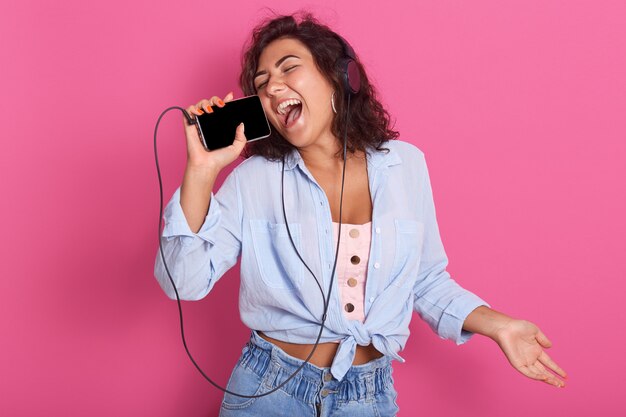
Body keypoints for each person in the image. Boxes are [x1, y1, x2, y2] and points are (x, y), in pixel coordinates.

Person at [155, 12, 567, 417]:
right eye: (261, 85)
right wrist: (201, 172)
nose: (273, 88)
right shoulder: (254, 179)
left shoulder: (405, 166)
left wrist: (499, 326)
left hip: (367, 396)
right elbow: (184, 283)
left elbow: (424, 280)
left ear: (340, 76)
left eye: (288, 69)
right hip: (267, 391)